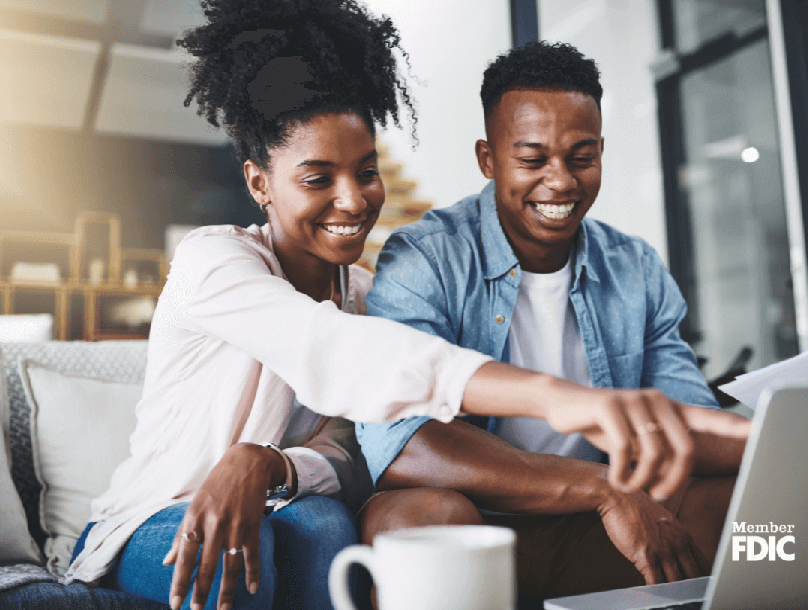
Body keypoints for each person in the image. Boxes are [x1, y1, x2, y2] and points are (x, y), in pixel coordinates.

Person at [61, 4, 735, 610]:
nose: (353, 200)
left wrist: (265, 462)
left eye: (366, 170)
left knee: (326, 527)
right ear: (259, 182)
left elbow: (349, 450)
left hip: (277, 499)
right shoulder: (217, 263)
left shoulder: (361, 294)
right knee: (247, 553)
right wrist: (557, 398)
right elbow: (340, 356)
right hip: (156, 513)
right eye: (318, 178)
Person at [355, 41, 751, 608]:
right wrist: (600, 490)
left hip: (592, 524)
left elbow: (684, 424)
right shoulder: (424, 259)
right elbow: (403, 445)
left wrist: (784, 438)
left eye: (581, 157)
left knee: (741, 505)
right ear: (488, 159)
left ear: (601, 152)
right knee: (425, 516)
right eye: (533, 159)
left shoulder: (634, 268)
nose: (561, 181)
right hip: (480, 516)